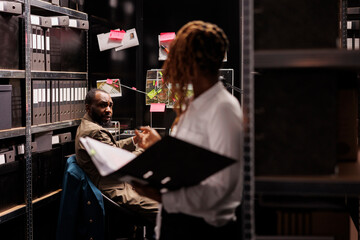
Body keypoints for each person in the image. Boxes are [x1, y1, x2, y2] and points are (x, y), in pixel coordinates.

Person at [133, 20, 244, 240]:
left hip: (204, 230)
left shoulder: (223, 109)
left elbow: (220, 189)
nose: (170, 66)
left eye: (176, 58)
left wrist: (163, 197)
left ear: (192, 63)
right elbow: (191, 165)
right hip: (179, 224)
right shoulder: (194, 105)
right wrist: (160, 148)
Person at [74, 88, 158, 224]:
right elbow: (121, 164)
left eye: (110, 105)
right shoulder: (95, 131)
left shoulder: (87, 126)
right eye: (103, 105)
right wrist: (145, 149)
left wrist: (134, 141)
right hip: (115, 188)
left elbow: (110, 150)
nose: (108, 110)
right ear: (88, 108)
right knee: (167, 210)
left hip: (115, 183)